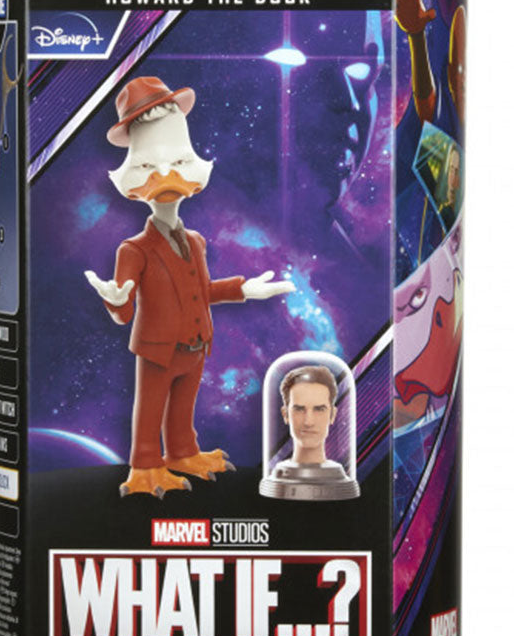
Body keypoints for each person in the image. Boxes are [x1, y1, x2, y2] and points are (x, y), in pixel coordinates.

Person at [85, 75, 294, 499]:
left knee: (183, 407)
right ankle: (145, 465)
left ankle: (182, 452)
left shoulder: (196, 241)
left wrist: (243, 289)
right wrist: (116, 303)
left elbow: (202, 290)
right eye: (150, 166)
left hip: (196, 344)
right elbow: (124, 310)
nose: (166, 176)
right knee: (150, 409)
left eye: (177, 162)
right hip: (158, 348)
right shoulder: (133, 249)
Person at [259, 364, 359, 501]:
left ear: (332, 415)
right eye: (299, 409)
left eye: (319, 409)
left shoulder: (338, 476)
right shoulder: (278, 475)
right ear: (285, 414)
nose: (308, 421)